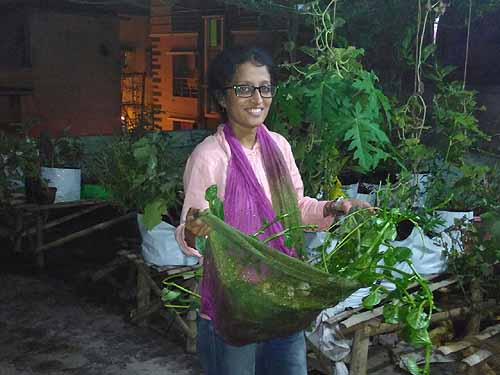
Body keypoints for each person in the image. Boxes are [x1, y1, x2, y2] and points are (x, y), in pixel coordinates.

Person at [175, 46, 370, 375]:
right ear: (223, 98)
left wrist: (334, 207)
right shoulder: (209, 157)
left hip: (282, 299)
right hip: (232, 308)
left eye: (265, 88)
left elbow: (295, 208)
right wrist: (194, 230)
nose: (257, 98)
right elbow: (188, 230)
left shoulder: (279, 147)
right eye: (244, 89)